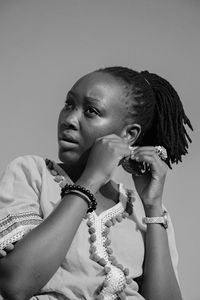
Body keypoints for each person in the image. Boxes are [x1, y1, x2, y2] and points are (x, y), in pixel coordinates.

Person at [0, 66, 193, 300]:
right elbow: (15, 284)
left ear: (128, 135)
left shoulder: (148, 213)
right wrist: (91, 179)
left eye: (91, 111)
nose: (69, 120)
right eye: (68, 104)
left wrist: (153, 207)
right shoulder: (32, 173)